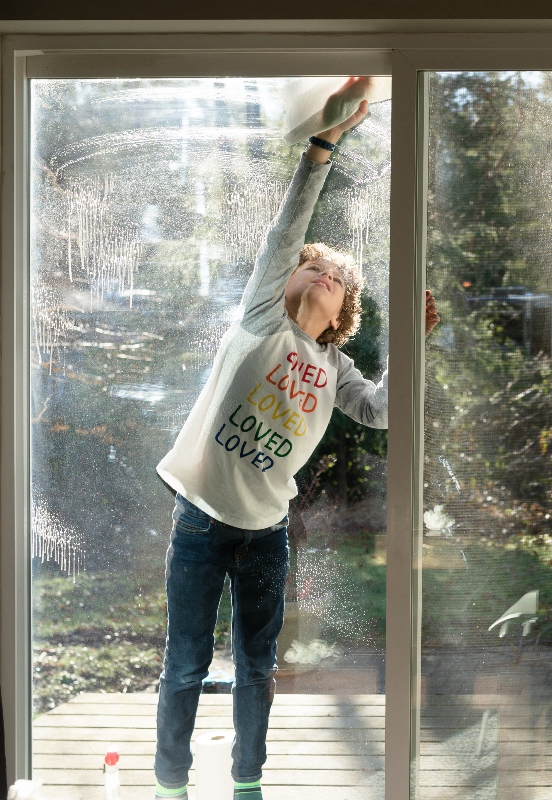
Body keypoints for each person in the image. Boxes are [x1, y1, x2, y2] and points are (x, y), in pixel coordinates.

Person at [152, 80, 440, 800]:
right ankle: (169, 785)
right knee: (184, 664)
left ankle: (247, 782)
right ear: (284, 282)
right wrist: (324, 144)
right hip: (200, 523)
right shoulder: (261, 321)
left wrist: (412, 343)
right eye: (312, 266)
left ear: (342, 313)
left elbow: (381, 411)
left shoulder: (335, 366)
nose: (322, 274)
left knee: (257, 666)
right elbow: (287, 231)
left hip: (266, 534)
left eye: (336, 277)